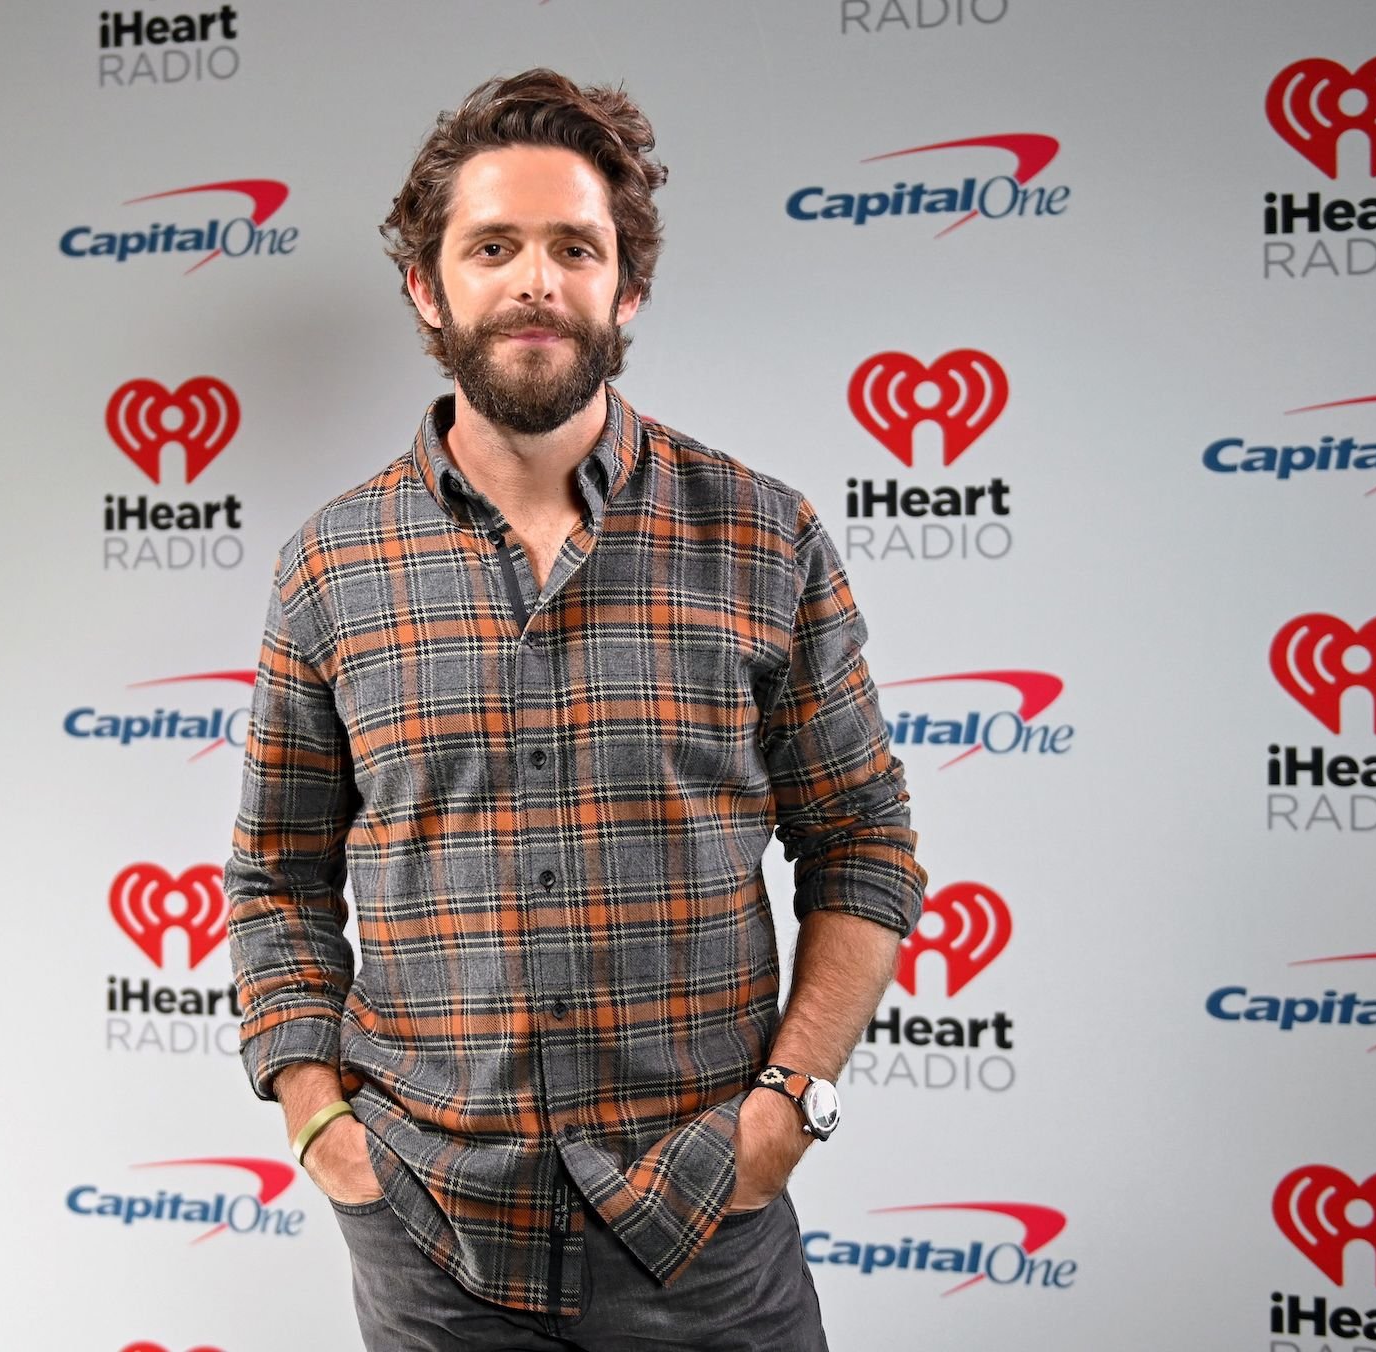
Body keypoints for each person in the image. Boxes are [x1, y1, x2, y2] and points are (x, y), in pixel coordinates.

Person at [225, 68, 926, 1351]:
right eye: (491, 246)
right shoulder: (330, 567)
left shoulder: (764, 540)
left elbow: (864, 844)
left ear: (625, 289)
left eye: (573, 247)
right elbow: (275, 873)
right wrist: (318, 1114)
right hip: (434, 1238)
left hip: (707, 1224)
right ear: (427, 288)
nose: (534, 280)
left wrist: (785, 1105)